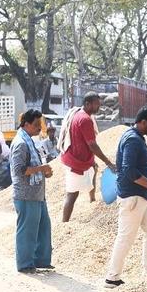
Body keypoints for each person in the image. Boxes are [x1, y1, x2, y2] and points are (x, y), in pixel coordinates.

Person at [105, 105, 147, 288]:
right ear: (143, 122)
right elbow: (129, 171)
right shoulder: (133, 140)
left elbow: (132, 167)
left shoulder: (136, 137)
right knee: (126, 237)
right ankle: (112, 278)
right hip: (133, 197)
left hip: (140, 196)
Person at [10, 108, 55, 273]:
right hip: (26, 195)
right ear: (26, 124)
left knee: (43, 228)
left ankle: (41, 261)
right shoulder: (21, 143)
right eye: (36, 125)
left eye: (40, 124)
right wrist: (41, 168)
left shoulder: (30, 140)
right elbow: (18, 170)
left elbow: (35, 167)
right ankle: (25, 264)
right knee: (27, 232)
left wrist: (44, 171)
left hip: (37, 195)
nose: (39, 128)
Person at [60, 92, 116, 222]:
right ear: (87, 104)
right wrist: (108, 162)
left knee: (94, 169)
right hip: (75, 162)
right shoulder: (84, 119)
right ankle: (64, 222)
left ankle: (92, 200)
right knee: (72, 194)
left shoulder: (81, 115)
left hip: (83, 159)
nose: (99, 106)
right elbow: (92, 144)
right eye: (96, 104)